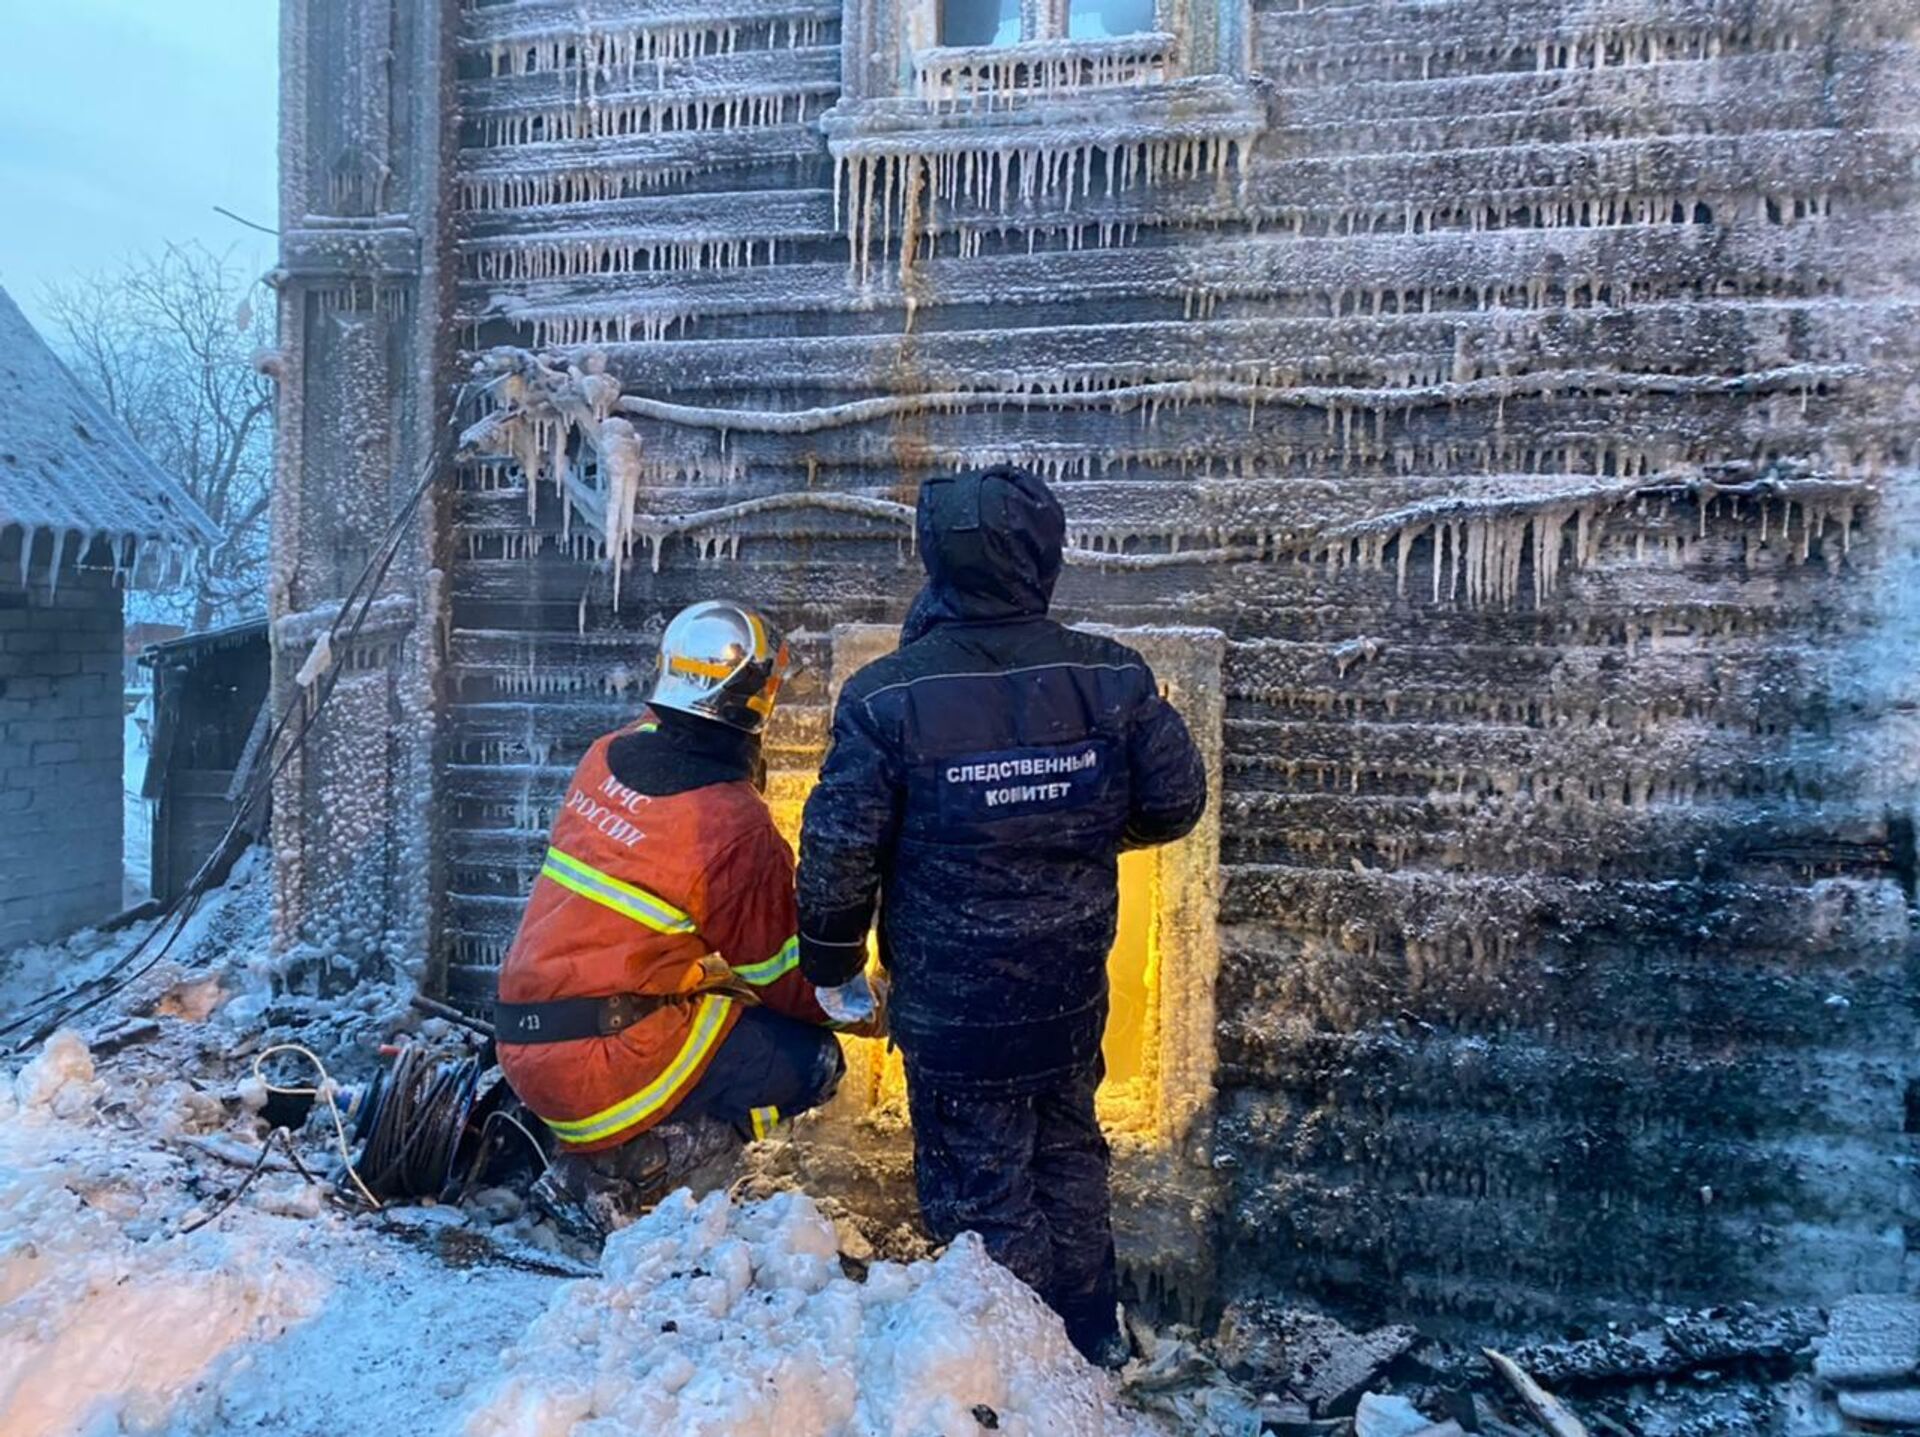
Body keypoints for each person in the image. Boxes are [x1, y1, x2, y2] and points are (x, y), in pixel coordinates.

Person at [796, 465, 1208, 1367]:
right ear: (1043, 554)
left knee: (984, 1190)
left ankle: (1025, 1377)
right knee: (1068, 1156)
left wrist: (830, 965)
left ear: (935, 559)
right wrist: (1075, 827)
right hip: (1067, 991)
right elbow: (1176, 803)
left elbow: (840, 851)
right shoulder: (1111, 676)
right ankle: (1093, 1340)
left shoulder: (886, 695)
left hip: (955, 1009)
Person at [495, 600, 851, 1237]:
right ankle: (633, 1172)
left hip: (523, 1046)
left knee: (711, 1002)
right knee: (812, 1063)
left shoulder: (606, 755)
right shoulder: (729, 823)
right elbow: (785, 979)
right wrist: (863, 1002)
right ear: (756, 701)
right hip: (600, 1064)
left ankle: (600, 1152)